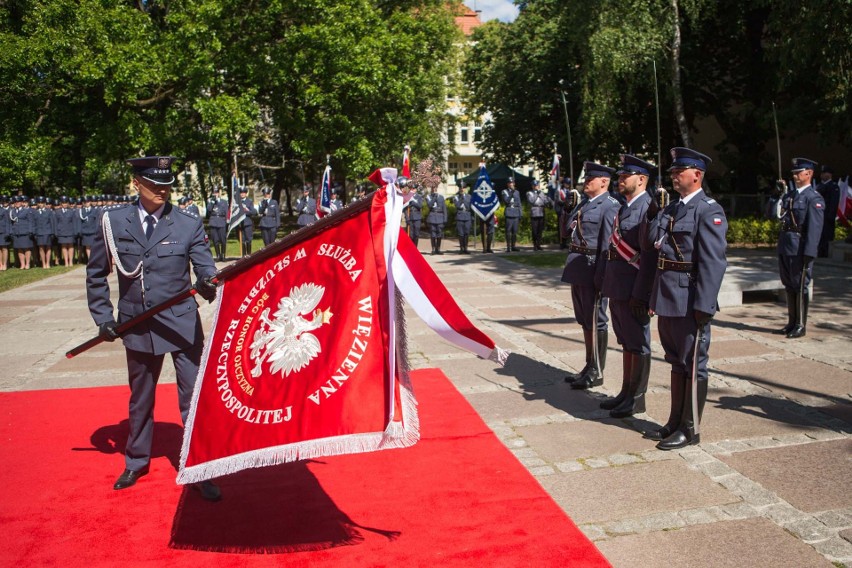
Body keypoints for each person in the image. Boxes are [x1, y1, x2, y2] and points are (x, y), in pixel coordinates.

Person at [86, 155, 221, 500]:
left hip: (180, 322)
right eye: (155, 185)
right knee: (141, 397)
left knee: (192, 396)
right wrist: (103, 318)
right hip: (138, 323)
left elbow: (205, 268)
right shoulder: (114, 222)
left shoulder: (187, 223)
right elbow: (96, 273)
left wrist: (208, 281)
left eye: (167, 186)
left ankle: (199, 462)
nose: (163, 191)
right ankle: (136, 459)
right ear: (137, 184)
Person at [644, 147, 727, 450]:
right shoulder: (673, 207)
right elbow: (651, 243)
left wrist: (704, 305)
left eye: (679, 172)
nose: (674, 177)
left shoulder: (709, 210)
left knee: (693, 365)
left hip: (690, 297)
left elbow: (713, 263)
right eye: (672, 172)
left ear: (697, 174)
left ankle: (690, 428)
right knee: (676, 362)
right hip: (667, 296)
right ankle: (674, 420)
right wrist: (656, 209)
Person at [597, 155, 659, 417]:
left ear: (642, 179)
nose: (620, 179)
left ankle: (637, 397)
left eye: (626, 176)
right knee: (626, 342)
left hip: (634, 287)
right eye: (620, 176)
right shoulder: (625, 206)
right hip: (618, 285)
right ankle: (626, 391)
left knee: (638, 343)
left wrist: (643, 293)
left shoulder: (648, 208)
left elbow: (650, 256)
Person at [561, 162, 621, 390]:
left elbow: (607, 245)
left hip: (593, 267)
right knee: (585, 320)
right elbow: (565, 233)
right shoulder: (585, 204)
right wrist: (567, 209)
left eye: (591, 179)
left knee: (596, 321)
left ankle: (596, 369)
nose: (586, 182)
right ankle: (589, 365)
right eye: (586, 178)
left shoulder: (610, 206)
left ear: (604, 182)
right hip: (578, 267)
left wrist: (602, 276)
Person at [776, 158, 825, 338]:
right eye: (794, 173)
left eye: (799, 172)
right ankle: (791, 322)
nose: (796, 176)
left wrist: (809, 252)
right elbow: (774, 215)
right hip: (786, 245)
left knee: (800, 286)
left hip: (800, 248)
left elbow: (815, 228)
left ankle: (801, 324)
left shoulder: (813, 198)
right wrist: (778, 195)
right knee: (789, 285)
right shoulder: (790, 195)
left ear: (809, 173)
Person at [816, 165, 839, 258]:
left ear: (829, 175)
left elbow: (834, 202)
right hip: (818, 215)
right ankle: (819, 251)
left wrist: (831, 216)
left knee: (827, 235)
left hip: (827, 216)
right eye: (821, 173)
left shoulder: (833, 186)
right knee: (819, 235)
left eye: (824, 173)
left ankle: (825, 253)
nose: (822, 175)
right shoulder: (819, 186)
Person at [54, 196, 79, 267]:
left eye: (66, 203)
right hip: (61, 231)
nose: (64, 204)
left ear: (68, 203)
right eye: (63, 203)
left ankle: (70, 261)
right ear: (61, 204)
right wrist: (56, 232)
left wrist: (75, 231)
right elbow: (56, 223)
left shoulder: (72, 211)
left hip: (70, 231)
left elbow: (74, 222)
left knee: (71, 246)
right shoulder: (57, 212)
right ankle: (66, 262)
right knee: (64, 247)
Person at [527, 180, 552, 251]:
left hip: (541, 211)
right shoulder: (529, 193)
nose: (536, 187)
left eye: (537, 185)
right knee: (534, 230)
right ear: (532, 186)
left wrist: (548, 201)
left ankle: (539, 244)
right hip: (534, 212)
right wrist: (536, 194)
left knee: (540, 230)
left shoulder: (541, 193)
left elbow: (545, 201)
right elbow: (531, 201)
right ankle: (534, 245)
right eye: (535, 186)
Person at [206, 186, 229, 262]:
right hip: (213, 221)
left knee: (223, 240)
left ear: (219, 193)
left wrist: (227, 222)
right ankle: (218, 255)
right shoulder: (211, 202)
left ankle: (223, 255)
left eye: (216, 192)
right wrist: (212, 202)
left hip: (221, 221)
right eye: (214, 192)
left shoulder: (224, 201)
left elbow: (226, 212)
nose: (215, 193)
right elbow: (209, 210)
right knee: (215, 240)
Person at [11, 195, 34, 269]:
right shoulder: (12, 211)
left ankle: (27, 263)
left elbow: (30, 221)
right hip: (17, 233)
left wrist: (30, 231)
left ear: (21, 202)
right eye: (15, 202)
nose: (17, 203)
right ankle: (22, 264)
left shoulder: (26, 210)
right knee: (19, 249)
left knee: (27, 248)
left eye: (18, 201)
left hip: (25, 232)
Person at [451, 183, 473, 254]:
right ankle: (461, 248)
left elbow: (469, 206)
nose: (462, 189)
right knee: (461, 233)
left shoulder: (469, 197)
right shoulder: (456, 197)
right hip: (460, 216)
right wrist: (461, 198)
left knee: (466, 233)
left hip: (467, 215)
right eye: (461, 188)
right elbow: (457, 205)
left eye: (463, 188)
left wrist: (464, 199)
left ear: (465, 189)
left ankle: (466, 248)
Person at [426, 184, 447, 255]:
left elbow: (444, 208)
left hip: (440, 216)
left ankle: (438, 249)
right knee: (433, 234)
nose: (434, 189)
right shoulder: (428, 197)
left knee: (439, 233)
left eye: (435, 188)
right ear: (431, 189)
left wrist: (445, 218)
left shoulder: (441, 197)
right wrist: (434, 198)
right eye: (433, 188)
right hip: (432, 216)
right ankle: (433, 249)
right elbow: (429, 205)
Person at [502, 178, 522, 252]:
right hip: (509, 212)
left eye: (512, 183)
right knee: (508, 230)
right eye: (510, 183)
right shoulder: (504, 192)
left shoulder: (517, 192)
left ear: (514, 183)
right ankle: (508, 247)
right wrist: (511, 192)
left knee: (515, 231)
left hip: (516, 212)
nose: (511, 184)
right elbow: (506, 201)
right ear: (507, 184)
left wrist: (520, 213)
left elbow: (519, 203)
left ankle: (513, 246)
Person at [237, 186, 257, 256]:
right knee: (242, 240)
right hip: (239, 224)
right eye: (241, 193)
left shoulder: (249, 201)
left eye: (244, 193)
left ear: (246, 194)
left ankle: (248, 255)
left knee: (248, 240)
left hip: (247, 223)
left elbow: (253, 212)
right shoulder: (237, 202)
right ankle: (243, 255)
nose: (242, 194)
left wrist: (245, 212)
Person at [0, 195, 10, 270]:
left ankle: (5, 264)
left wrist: (7, 232)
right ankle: (0, 264)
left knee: (4, 248)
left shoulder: (4, 210)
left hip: (3, 231)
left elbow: (7, 222)